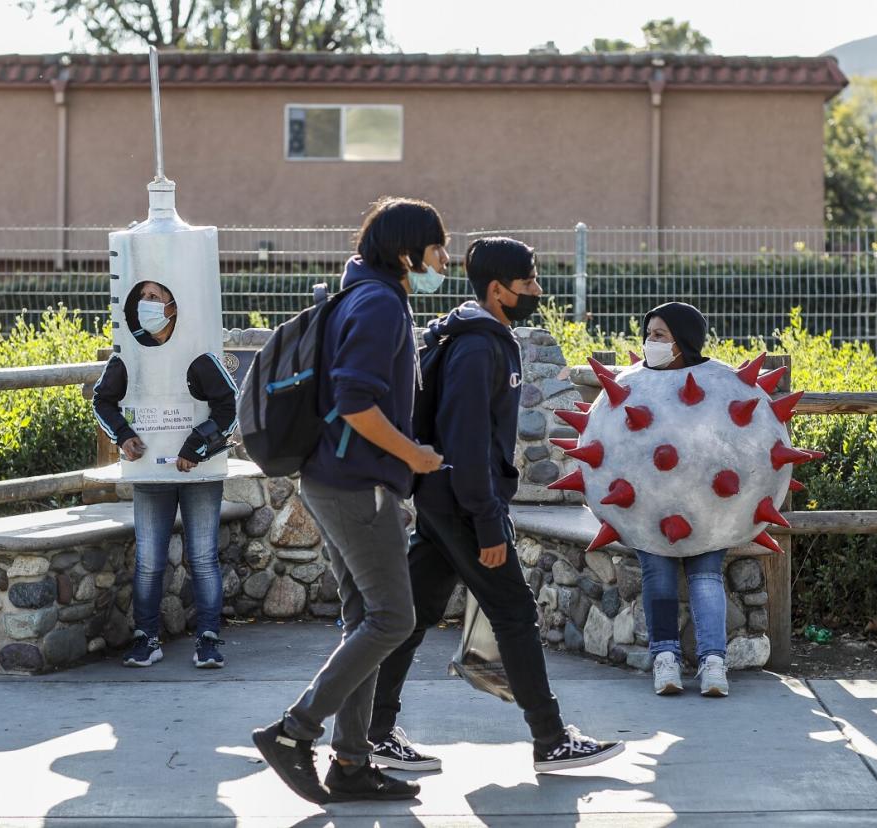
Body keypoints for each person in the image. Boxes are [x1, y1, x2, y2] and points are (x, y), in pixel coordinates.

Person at [366, 237, 625, 775]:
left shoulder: (476, 335)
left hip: (446, 501)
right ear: (497, 289)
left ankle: (373, 731)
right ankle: (550, 739)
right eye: (528, 281)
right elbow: (465, 441)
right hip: (463, 503)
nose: (537, 290)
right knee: (514, 613)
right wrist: (487, 523)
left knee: (410, 616)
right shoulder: (478, 346)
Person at [251, 197, 446, 805]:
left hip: (335, 479)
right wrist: (412, 455)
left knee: (366, 618)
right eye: (438, 247)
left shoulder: (358, 294)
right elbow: (357, 401)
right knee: (394, 618)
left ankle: (352, 763)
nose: (445, 259)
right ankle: (296, 731)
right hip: (357, 484)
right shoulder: (380, 304)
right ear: (408, 251)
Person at [92, 279, 238, 670]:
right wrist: (123, 436)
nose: (146, 304)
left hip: (199, 471)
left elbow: (227, 407)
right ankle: (147, 638)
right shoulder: (128, 358)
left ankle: (208, 639)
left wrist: (196, 447)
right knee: (149, 560)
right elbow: (102, 401)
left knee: (203, 557)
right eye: (141, 297)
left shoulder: (199, 356)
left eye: (154, 297)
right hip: (150, 474)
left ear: (173, 305)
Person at [637, 301, 730, 698]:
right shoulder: (635, 384)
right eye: (648, 335)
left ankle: (713, 661)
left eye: (659, 336)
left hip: (706, 506)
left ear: (682, 343)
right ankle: (665, 658)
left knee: (706, 575)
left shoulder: (717, 383)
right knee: (657, 574)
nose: (649, 343)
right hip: (650, 506)